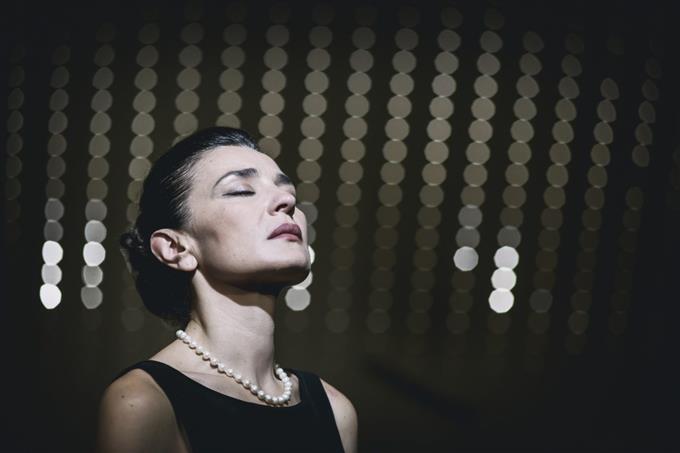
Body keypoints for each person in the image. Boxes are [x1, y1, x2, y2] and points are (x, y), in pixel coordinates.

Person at [95, 127, 358, 452]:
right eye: (241, 190)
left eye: (288, 191)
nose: (287, 201)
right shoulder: (145, 403)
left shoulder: (335, 410)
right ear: (176, 248)